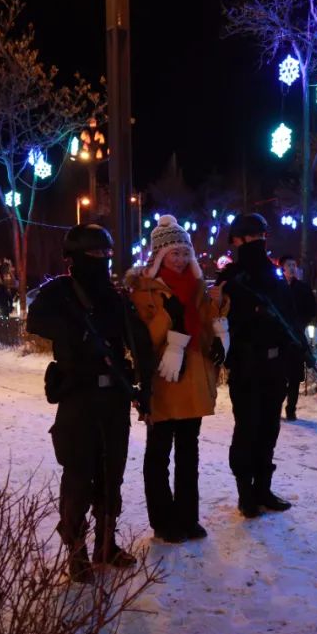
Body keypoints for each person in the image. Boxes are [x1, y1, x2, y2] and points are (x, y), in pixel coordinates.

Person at [26, 224, 155, 583]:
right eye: (94, 254)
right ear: (73, 257)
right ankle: (77, 550)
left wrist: (146, 389)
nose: (101, 260)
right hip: (78, 396)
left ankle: (106, 544)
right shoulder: (59, 292)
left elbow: (138, 343)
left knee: (112, 474)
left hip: (114, 397)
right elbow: (36, 321)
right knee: (79, 475)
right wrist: (75, 332)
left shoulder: (115, 297)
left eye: (106, 254)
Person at [126, 215, 229, 543]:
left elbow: (208, 324)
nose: (181, 259)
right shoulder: (143, 291)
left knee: (189, 452)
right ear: (160, 255)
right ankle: (163, 520)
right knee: (158, 453)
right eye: (175, 253)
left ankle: (187, 517)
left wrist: (220, 313)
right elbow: (143, 340)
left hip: (193, 380)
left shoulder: (196, 287)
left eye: (185, 252)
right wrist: (167, 317)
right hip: (163, 381)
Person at [217, 213, 297, 518]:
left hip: (274, 365)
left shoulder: (275, 277)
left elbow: (290, 317)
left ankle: (264, 488)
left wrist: (291, 353)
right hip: (246, 365)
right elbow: (220, 323)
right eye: (250, 238)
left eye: (261, 237)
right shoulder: (231, 278)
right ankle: (245, 493)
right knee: (247, 429)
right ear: (237, 241)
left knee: (269, 428)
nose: (257, 242)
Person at [279, 254, 316, 422]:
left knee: (294, 377)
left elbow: (311, 310)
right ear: (282, 268)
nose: (292, 268)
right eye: (289, 265)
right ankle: (275, 408)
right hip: (280, 339)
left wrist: (300, 324)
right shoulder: (277, 287)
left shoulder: (303, 288)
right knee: (279, 377)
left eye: (294, 265)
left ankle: (291, 410)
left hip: (297, 338)